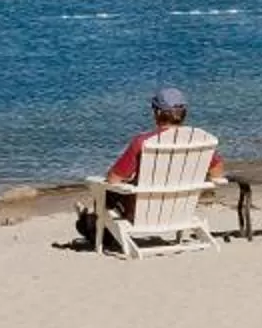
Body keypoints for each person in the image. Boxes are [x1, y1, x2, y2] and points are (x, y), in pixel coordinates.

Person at [82, 87, 221, 247]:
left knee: (105, 191)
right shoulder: (199, 142)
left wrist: (124, 181)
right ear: (184, 113)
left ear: (157, 112)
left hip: (143, 213)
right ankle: (93, 224)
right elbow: (217, 173)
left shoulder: (143, 142)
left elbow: (113, 179)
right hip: (181, 211)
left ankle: (95, 228)